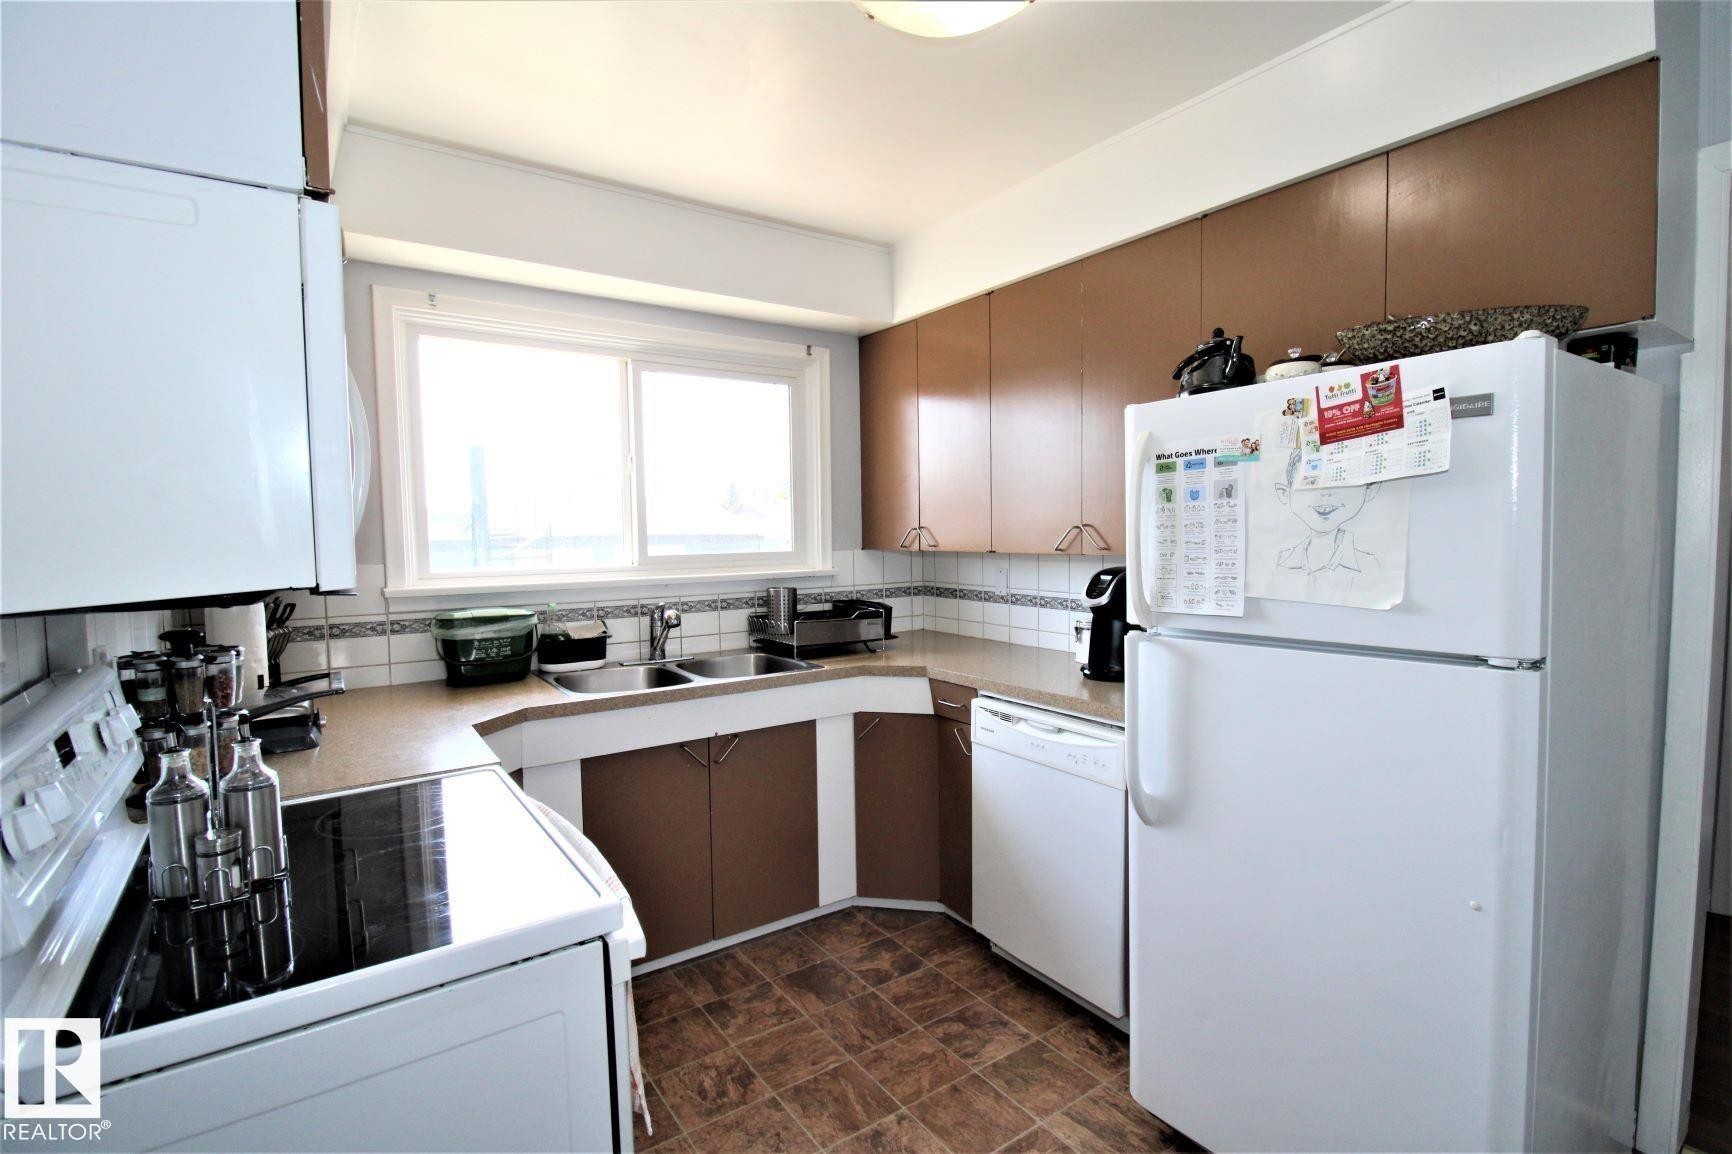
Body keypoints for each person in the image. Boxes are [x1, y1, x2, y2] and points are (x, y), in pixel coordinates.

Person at [1270, 446, 1381, 596]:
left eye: (1339, 480)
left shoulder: (1370, 566)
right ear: (1284, 493)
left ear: (1369, 490)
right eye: (1311, 481)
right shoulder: (1278, 561)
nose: (1325, 493)